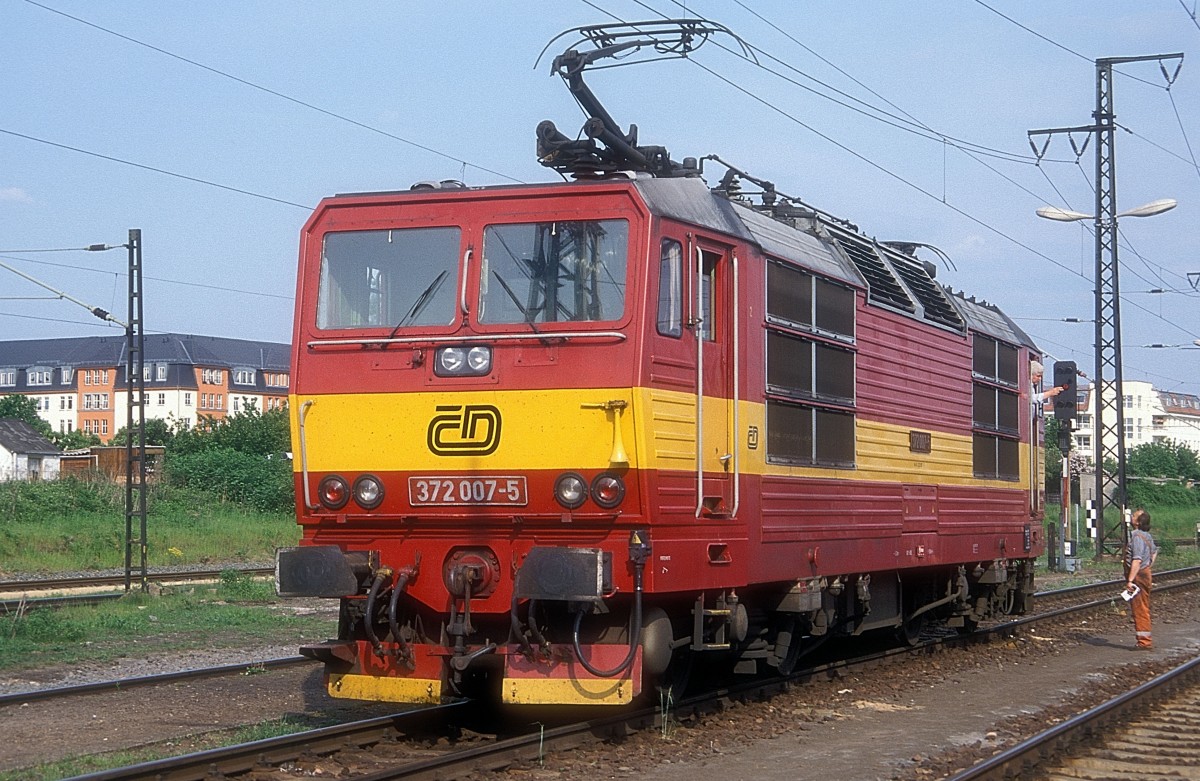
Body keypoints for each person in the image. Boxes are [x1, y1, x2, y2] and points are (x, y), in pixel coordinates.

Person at [1125, 508, 1158, 649]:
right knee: (1141, 606)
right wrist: (1148, 565)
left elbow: (1137, 560)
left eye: (1134, 516)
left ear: (1138, 522)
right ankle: (1144, 640)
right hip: (1145, 572)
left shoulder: (1137, 537)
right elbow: (1154, 552)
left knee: (1140, 608)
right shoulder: (1147, 536)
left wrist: (1130, 580)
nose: (1131, 516)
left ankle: (1144, 642)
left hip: (1139, 575)